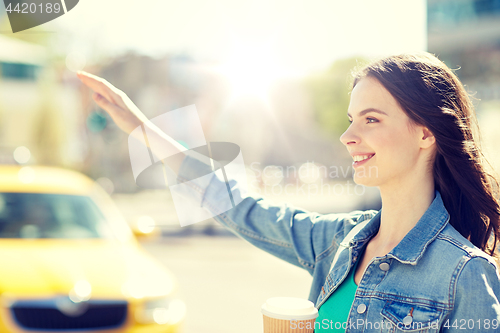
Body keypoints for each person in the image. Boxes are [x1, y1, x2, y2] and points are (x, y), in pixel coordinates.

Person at [77, 52, 500, 332]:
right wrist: (141, 129)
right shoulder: (337, 242)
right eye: (351, 119)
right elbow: (238, 206)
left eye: (371, 120)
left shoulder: (466, 275)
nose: (347, 135)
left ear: (426, 133)